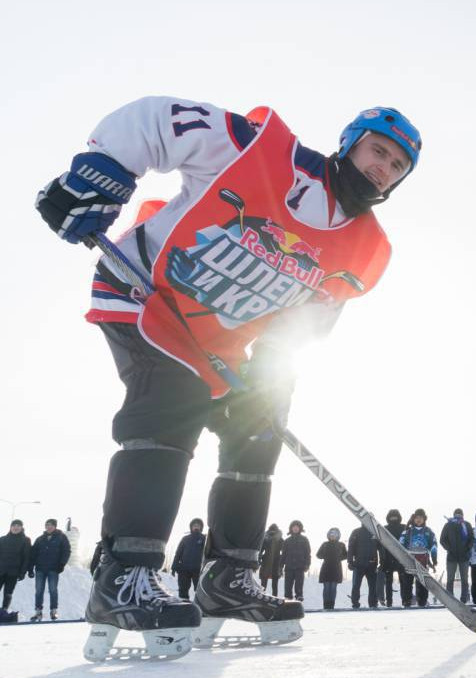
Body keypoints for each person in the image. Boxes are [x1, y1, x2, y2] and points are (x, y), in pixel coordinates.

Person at [35, 96, 421, 655]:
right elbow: (155, 121)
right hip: (146, 295)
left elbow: (304, 326)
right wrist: (104, 175)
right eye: (377, 151)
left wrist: (266, 384)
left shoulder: (366, 250)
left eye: (396, 166)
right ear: (350, 143)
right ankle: (126, 574)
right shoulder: (261, 152)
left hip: (218, 340)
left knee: (262, 428)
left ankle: (230, 578)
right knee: (174, 399)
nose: (383, 167)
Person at [30, 519, 71, 621]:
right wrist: (30, 567)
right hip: (40, 568)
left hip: (53, 568)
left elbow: (66, 551)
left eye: (51, 525)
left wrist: (62, 564)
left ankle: (54, 611)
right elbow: (33, 554)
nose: (49, 527)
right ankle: (38, 612)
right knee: (39, 590)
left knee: (53, 590)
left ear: (55, 526)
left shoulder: (61, 538)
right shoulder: (40, 539)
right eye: (47, 525)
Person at [400, 509, 438, 607]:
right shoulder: (407, 531)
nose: (418, 520)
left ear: (424, 519)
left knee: (422, 582)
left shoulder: (429, 532)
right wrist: (401, 558)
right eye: (417, 518)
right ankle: (406, 601)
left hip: (423, 559)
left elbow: (434, 545)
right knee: (407, 582)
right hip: (409, 559)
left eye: (421, 518)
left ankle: (422, 601)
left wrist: (434, 559)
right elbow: (400, 545)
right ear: (414, 519)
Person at [440, 508, 474, 604]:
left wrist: (468, 548)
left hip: (464, 557)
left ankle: (464, 598)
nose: (458, 515)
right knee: (450, 578)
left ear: (463, 515)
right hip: (452, 556)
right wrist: (449, 549)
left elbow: (472, 538)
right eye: (456, 514)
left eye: (460, 514)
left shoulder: (467, 525)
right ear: (454, 514)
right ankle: (450, 598)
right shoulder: (448, 525)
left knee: (464, 579)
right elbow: (442, 539)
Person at [0, 520, 32, 615]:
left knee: (8, 593)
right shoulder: (2, 539)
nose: (16, 527)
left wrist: (22, 572)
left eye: (18, 526)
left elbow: (26, 557)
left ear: (21, 528)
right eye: (14, 525)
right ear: (10, 527)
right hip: (1, 570)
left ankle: (3, 611)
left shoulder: (25, 540)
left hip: (13, 572)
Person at [170, 518, 206, 601]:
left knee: (200, 590)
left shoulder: (204, 538)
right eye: (194, 525)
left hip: (198, 569)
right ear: (191, 527)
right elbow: (178, 553)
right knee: (183, 589)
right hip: (184, 568)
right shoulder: (185, 539)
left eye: (198, 525)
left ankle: (200, 607)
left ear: (201, 527)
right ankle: (184, 606)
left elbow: (208, 553)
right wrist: (174, 567)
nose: (196, 526)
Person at [347, 523, 380, 609]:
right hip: (358, 564)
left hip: (372, 564)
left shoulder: (376, 532)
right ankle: (355, 603)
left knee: (373, 586)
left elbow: (381, 547)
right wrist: (350, 561)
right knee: (356, 585)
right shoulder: (356, 532)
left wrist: (382, 562)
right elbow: (351, 547)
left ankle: (373, 604)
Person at [377, 509, 405, 607]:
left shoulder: (404, 527)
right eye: (392, 517)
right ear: (388, 518)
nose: (394, 518)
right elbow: (380, 544)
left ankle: (405, 601)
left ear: (399, 517)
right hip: (388, 559)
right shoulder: (384, 528)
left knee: (403, 581)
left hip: (401, 559)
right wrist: (381, 559)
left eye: (395, 516)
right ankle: (389, 602)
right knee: (388, 582)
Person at [316, 528, 347, 611]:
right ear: (328, 535)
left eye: (334, 535)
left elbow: (345, 555)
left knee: (333, 588)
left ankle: (331, 606)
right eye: (331, 534)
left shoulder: (341, 545)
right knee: (326, 588)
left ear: (338, 536)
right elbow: (318, 555)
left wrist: (338, 558)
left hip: (336, 569)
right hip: (326, 568)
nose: (332, 536)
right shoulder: (325, 544)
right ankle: (325, 606)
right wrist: (325, 555)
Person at [281, 520, 311, 602]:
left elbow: (308, 553)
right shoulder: (287, 541)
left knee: (299, 586)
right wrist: (281, 566)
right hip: (289, 567)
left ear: (300, 528)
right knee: (288, 586)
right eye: (293, 527)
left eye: (297, 527)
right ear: (291, 528)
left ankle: (299, 599)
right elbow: (283, 554)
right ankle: (287, 600)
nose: (295, 528)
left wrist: (307, 565)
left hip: (300, 567)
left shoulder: (304, 540)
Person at [258, 523, 284, 596]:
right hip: (275, 563)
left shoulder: (265, 539)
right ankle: (273, 598)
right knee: (274, 584)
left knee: (264, 584)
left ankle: (262, 597)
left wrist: (259, 560)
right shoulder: (280, 539)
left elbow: (260, 550)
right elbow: (284, 551)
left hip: (267, 562)